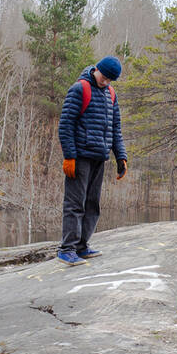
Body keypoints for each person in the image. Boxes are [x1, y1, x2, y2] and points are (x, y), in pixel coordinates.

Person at [57, 55, 128, 265]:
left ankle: (82, 246)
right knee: (75, 204)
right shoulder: (80, 89)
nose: (105, 82)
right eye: (103, 77)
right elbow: (65, 125)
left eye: (109, 80)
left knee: (92, 204)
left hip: (99, 157)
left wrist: (121, 156)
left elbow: (115, 128)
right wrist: (69, 156)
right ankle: (67, 249)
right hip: (80, 157)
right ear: (97, 69)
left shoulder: (111, 94)